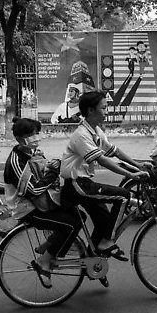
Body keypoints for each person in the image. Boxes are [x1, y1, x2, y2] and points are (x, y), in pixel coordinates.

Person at [60, 91, 149, 262]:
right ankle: (107, 242)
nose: (107, 111)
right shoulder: (81, 135)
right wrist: (130, 174)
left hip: (84, 183)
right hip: (77, 186)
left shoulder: (95, 131)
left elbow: (113, 151)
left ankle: (92, 260)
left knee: (103, 221)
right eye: (104, 108)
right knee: (124, 196)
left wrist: (138, 165)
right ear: (91, 110)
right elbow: (103, 160)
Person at [4, 117, 83, 288]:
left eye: (36, 133)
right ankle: (44, 262)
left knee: (79, 215)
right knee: (70, 225)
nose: (35, 137)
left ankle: (49, 245)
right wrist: (53, 173)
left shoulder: (32, 153)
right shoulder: (16, 161)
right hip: (27, 209)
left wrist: (52, 165)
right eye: (30, 134)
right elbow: (33, 190)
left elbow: (44, 170)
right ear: (18, 139)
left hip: (42, 202)